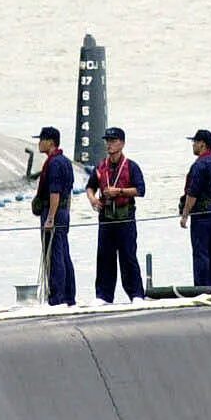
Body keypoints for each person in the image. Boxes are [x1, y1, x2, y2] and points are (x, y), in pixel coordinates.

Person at [87, 126, 146, 302]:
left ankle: (136, 294)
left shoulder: (131, 166)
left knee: (128, 256)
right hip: (106, 218)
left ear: (122, 143)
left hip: (125, 218)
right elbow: (90, 187)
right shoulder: (100, 166)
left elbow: (141, 190)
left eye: (113, 141)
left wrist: (119, 191)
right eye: (107, 141)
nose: (109, 145)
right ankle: (103, 296)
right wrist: (92, 199)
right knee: (104, 257)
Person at [32, 125, 78, 306]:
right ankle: (68, 295)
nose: (39, 143)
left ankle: (57, 297)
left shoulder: (54, 163)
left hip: (54, 212)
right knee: (63, 253)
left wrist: (50, 217)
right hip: (63, 211)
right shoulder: (65, 161)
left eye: (41, 139)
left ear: (50, 142)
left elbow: (55, 193)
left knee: (53, 255)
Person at [179, 129, 211, 286]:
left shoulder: (199, 165)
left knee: (201, 253)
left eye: (195, 142)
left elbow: (193, 192)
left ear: (202, 144)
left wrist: (185, 214)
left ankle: (202, 287)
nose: (193, 145)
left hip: (202, 214)